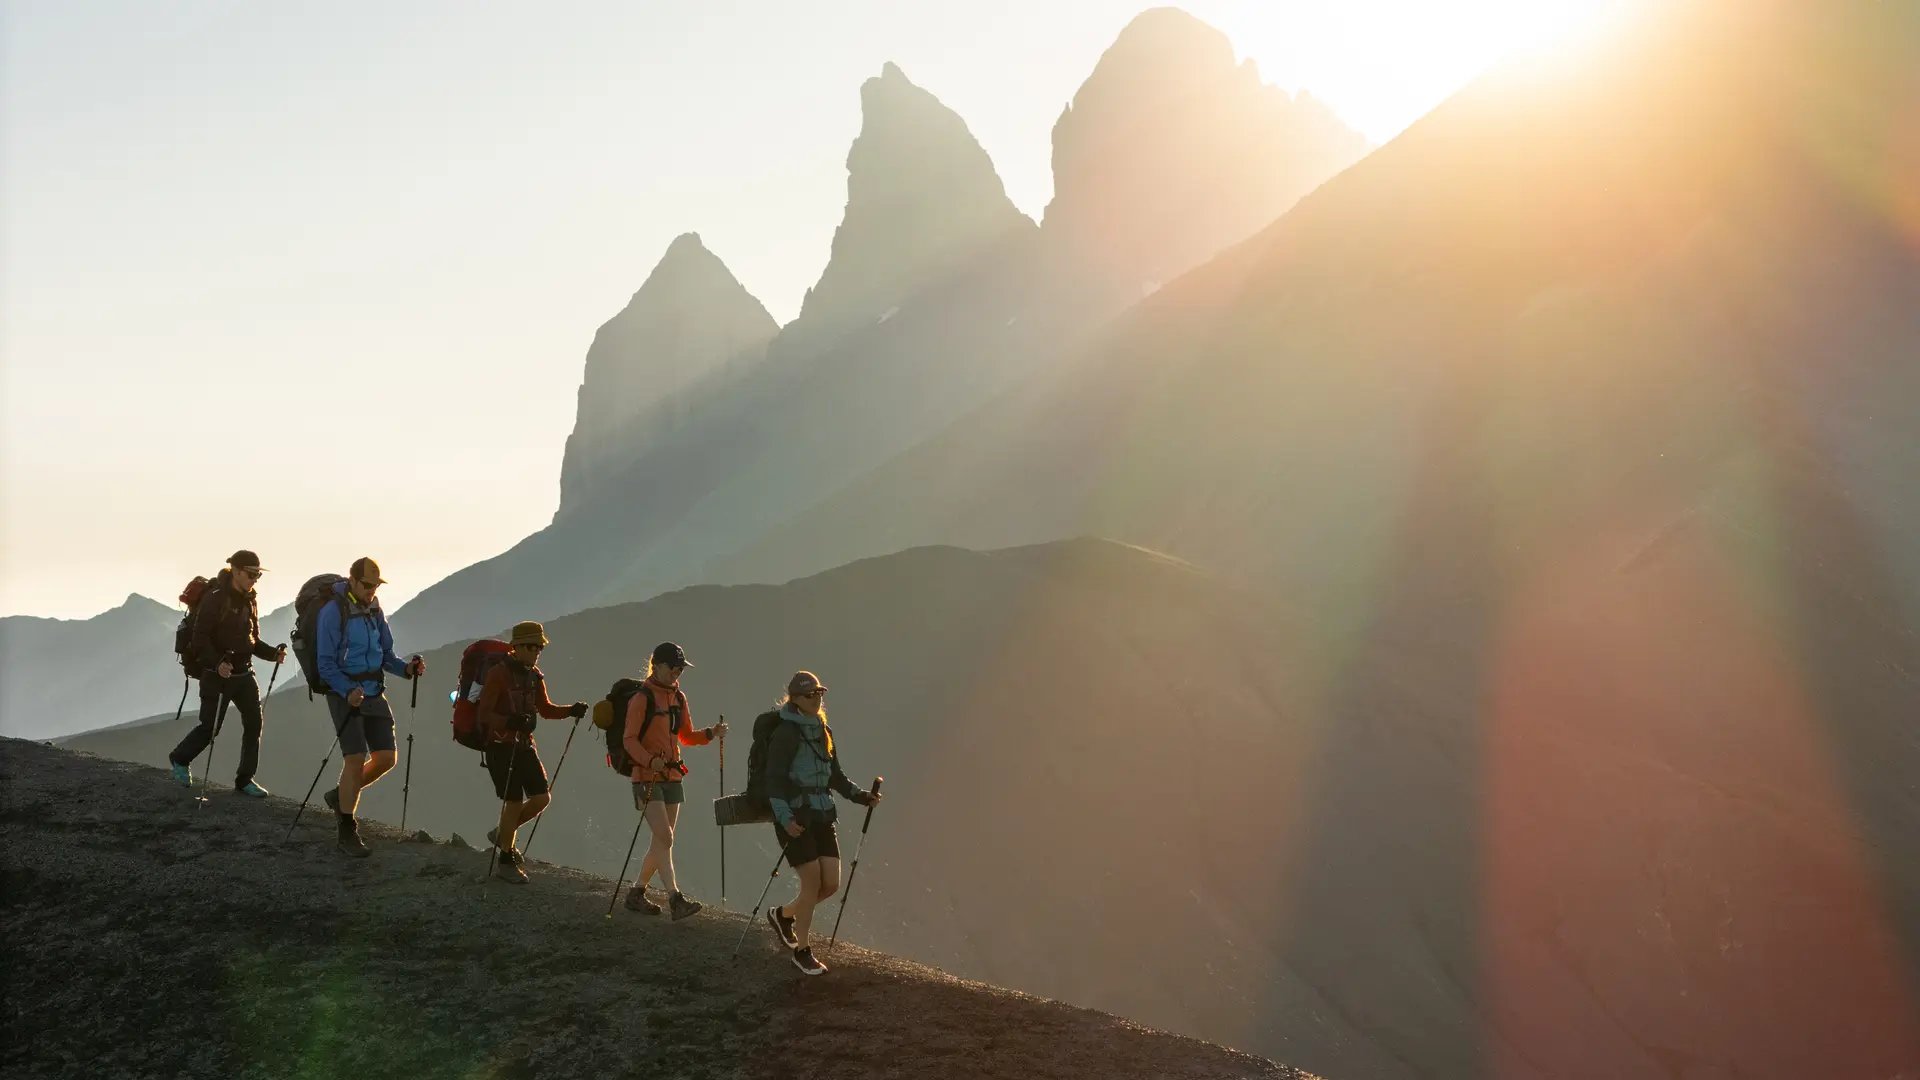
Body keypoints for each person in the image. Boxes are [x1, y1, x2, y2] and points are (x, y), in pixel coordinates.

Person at [763, 670, 879, 976]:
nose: (817, 699)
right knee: (811, 882)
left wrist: (860, 796)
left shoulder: (822, 730)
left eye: (819, 694)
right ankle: (802, 951)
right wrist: (785, 819)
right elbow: (773, 782)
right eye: (810, 695)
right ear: (796, 699)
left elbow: (835, 776)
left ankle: (783, 915)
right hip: (797, 817)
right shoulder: (785, 734)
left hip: (823, 813)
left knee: (830, 884)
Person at [314, 556, 425, 858]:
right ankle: (347, 829)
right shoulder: (331, 613)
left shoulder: (374, 611)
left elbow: (386, 653)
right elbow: (325, 664)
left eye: (376, 585)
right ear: (352, 581)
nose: (372, 590)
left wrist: (406, 670)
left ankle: (340, 796)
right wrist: (347, 690)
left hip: (374, 692)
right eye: (366, 585)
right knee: (354, 759)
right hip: (344, 694)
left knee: (386, 759)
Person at [472, 621, 587, 883]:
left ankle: (503, 833)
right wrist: (509, 722)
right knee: (513, 801)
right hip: (499, 747)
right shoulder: (499, 674)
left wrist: (571, 710)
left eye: (540, 647)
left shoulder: (534, 676)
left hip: (523, 746)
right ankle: (506, 859)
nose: (537, 651)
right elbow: (485, 713)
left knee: (541, 798)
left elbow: (544, 709)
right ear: (517, 647)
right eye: (533, 646)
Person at [168, 550, 288, 797]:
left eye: (257, 575)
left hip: (244, 673)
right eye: (251, 574)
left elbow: (251, 640)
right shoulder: (215, 599)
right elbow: (199, 638)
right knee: (210, 727)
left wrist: (272, 654)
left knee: (254, 724)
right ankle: (180, 759)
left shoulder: (250, 600)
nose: (255, 579)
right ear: (235, 571)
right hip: (217, 675)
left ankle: (245, 780)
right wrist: (217, 663)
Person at [622, 642, 725, 920]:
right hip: (646, 777)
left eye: (681, 669)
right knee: (665, 837)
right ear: (657, 666)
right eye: (674, 668)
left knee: (662, 840)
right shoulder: (642, 698)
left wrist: (711, 733)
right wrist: (648, 760)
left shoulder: (679, 698)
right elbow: (628, 740)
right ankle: (674, 898)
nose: (678, 673)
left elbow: (686, 736)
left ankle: (636, 893)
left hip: (673, 775)